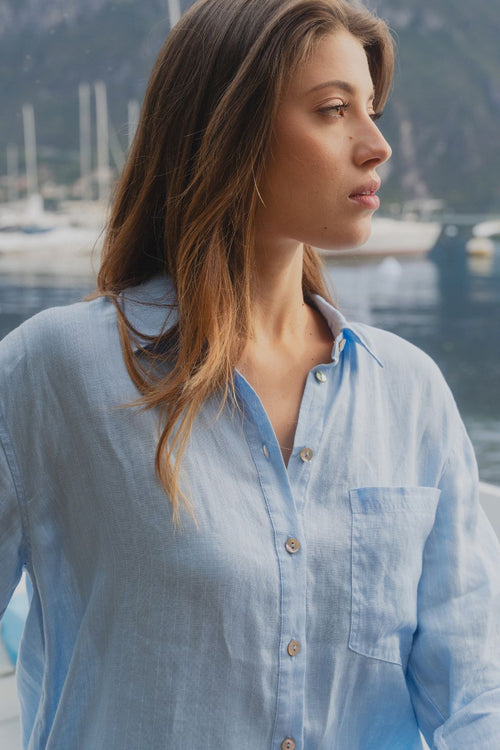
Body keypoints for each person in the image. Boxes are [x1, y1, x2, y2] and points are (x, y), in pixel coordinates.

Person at [1, 0, 499, 747]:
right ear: (227, 129)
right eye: (334, 110)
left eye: (373, 110)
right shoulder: (55, 370)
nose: (377, 146)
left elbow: (473, 697)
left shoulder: (411, 390)